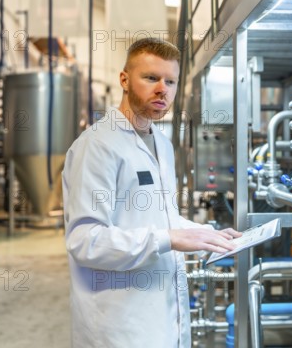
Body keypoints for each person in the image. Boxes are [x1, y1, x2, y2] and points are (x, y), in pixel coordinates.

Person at [63, 38, 241, 347]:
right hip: (119, 323)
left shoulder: (161, 143)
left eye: (170, 81)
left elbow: (162, 220)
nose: (163, 89)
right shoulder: (97, 146)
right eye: (151, 78)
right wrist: (168, 239)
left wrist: (207, 234)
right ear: (124, 80)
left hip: (162, 318)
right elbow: (85, 241)